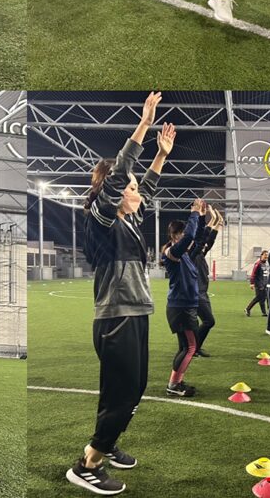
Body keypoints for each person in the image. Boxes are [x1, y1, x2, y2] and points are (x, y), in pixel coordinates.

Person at [66, 93, 175, 496]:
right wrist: (143, 126)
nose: (137, 190)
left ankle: (106, 444)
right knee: (123, 391)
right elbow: (119, 177)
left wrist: (160, 156)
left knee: (132, 387)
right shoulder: (102, 218)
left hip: (135, 313)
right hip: (116, 317)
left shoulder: (129, 220)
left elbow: (147, 186)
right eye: (130, 187)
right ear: (113, 193)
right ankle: (87, 464)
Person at [161, 201, 206, 397]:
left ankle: (177, 381)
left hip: (184, 306)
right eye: (180, 233)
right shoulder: (172, 252)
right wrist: (194, 213)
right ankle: (173, 385)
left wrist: (201, 217)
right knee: (191, 347)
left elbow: (197, 238)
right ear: (174, 236)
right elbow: (189, 236)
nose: (184, 236)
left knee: (185, 347)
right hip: (181, 308)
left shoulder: (185, 254)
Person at [192, 205, 221, 356]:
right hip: (196, 294)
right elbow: (203, 238)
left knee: (205, 322)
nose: (205, 246)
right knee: (209, 321)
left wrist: (217, 223)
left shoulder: (201, 255)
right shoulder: (192, 255)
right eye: (202, 245)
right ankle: (193, 348)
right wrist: (210, 219)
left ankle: (195, 348)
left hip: (203, 293)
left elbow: (210, 240)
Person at [245, 250, 269, 317]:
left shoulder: (266, 264)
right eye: (265, 255)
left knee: (263, 298)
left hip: (265, 284)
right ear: (261, 255)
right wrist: (252, 283)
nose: (266, 256)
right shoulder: (258, 264)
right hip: (259, 284)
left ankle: (264, 313)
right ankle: (247, 309)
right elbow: (253, 274)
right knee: (258, 297)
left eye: (267, 255)